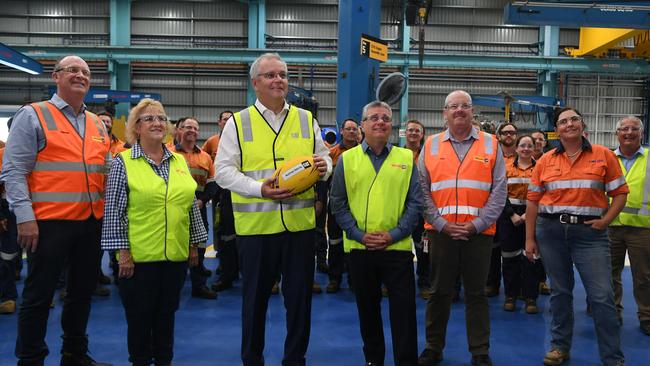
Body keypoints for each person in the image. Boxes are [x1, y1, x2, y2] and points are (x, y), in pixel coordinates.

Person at [214, 52, 331, 366]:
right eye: (270, 75)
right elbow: (223, 172)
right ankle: (252, 359)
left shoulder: (307, 119)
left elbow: (325, 159)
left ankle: (295, 359)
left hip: (299, 228)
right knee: (254, 302)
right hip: (257, 230)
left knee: (300, 301)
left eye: (282, 74)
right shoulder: (238, 123)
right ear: (255, 83)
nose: (278, 80)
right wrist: (260, 189)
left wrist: (325, 166)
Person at [1, 55, 112, 366]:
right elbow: (13, 171)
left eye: (85, 72)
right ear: (56, 77)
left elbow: (103, 170)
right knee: (38, 295)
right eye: (72, 70)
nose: (80, 75)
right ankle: (31, 358)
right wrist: (24, 218)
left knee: (80, 293)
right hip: (48, 224)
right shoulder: (33, 115)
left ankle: (74, 353)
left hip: (90, 222)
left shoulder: (96, 124)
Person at [101, 98, 208, 366]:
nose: (157, 122)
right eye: (148, 118)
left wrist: (194, 244)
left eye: (161, 118)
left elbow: (190, 205)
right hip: (138, 261)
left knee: (166, 318)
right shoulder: (122, 162)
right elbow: (114, 211)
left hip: (174, 258)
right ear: (136, 127)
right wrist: (122, 254)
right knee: (139, 320)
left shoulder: (179, 162)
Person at [525, 107, 627, 366]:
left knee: (602, 296)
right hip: (551, 232)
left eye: (574, 119)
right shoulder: (546, 160)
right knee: (560, 292)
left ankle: (612, 357)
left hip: (589, 234)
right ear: (556, 130)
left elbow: (620, 193)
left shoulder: (603, 155)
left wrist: (606, 220)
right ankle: (559, 346)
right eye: (563, 121)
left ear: (582, 126)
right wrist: (530, 239)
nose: (569, 124)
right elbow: (533, 202)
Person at [330, 101, 422, 366]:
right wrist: (359, 235)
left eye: (385, 118)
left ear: (391, 125)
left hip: (398, 250)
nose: (380, 122)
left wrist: (394, 234)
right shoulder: (347, 160)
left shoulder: (406, 158)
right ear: (363, 125)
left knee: (404, 313)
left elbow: (415, 202)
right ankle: (373, 360)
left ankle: (406, 360)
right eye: (374, 118)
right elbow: (338, 203)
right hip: (361, 250)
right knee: (367, 310)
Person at [418, 90, 506, 366]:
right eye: (453, 106)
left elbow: (499, 191)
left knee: (476, 294)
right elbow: (422, 191)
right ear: (444, 112)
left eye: (464, 106)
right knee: (439, 291)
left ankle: (479, 351)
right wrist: (443, 224)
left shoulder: (492, 144)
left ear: (472, 111)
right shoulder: (430, 145)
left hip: (479, 234)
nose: (459, 110)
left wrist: (476, 225)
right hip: (440, 233)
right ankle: (433, 347)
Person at [609, 116, 650, 336]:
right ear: (617, 133)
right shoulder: (606, 158)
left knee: (644, 276)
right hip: (610, 225)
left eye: (634, 128)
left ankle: (647, 317)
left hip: (643, 228)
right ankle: (612, 313)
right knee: (609, 274)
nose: (629, 132)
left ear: (641, 133)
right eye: (624, 128)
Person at [171, 117, 219, 300]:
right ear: (178, 130)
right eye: (187, 127)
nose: (192, 130)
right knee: (176, 247)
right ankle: (174, 286)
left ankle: (198, 286)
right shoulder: (168, 153)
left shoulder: (205, 157)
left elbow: (213, 184)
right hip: (174, 210)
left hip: (198, 209)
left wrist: (202, 201)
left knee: (198, 247)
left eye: (195, 128)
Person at [498, 135, 543, 314]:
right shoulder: (505, 168)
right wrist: (512, 215)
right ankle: (511, 296)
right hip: (509, 217)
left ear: (534, 148)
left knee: (531, 258)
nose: (525, 148)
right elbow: (499, 193)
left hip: (532, 215)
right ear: (516, 148)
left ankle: (531, 298)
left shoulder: (540, 168)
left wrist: (528, 215)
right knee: (509, 258)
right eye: (522, 145)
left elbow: (544, 192)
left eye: (529, 145)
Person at [325, 118, 359, 293]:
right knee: (335, 241)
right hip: (337, 205)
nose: (352, 132)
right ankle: (334, 279)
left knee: (355, 243)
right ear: (342, 132)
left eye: (354, 129)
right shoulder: (332, 153)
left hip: (358, 207)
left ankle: (355, 280)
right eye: (348, 129)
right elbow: (324, 180)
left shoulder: (365, 152)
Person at [485, 122, 517, 298]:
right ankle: (492, 283)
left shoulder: (522, 158)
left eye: (512, 133)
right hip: (493, 210)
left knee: (513, 251)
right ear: (499, 136)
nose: (509, 136)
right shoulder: (492, 157)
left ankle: (515, 289)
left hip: (514, 211)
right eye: (505, 133)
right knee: (493, 249)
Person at [404, 119, 430, 298]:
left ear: (422, 134)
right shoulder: (396, 154)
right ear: (405, 133)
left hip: (422, 209)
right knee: (399, 247)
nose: (413, 133)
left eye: (417, 131)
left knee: (423, 248)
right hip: (401, 208)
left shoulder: (428, 156)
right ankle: (397, 282)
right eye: (410, 130)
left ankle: (424, 283)